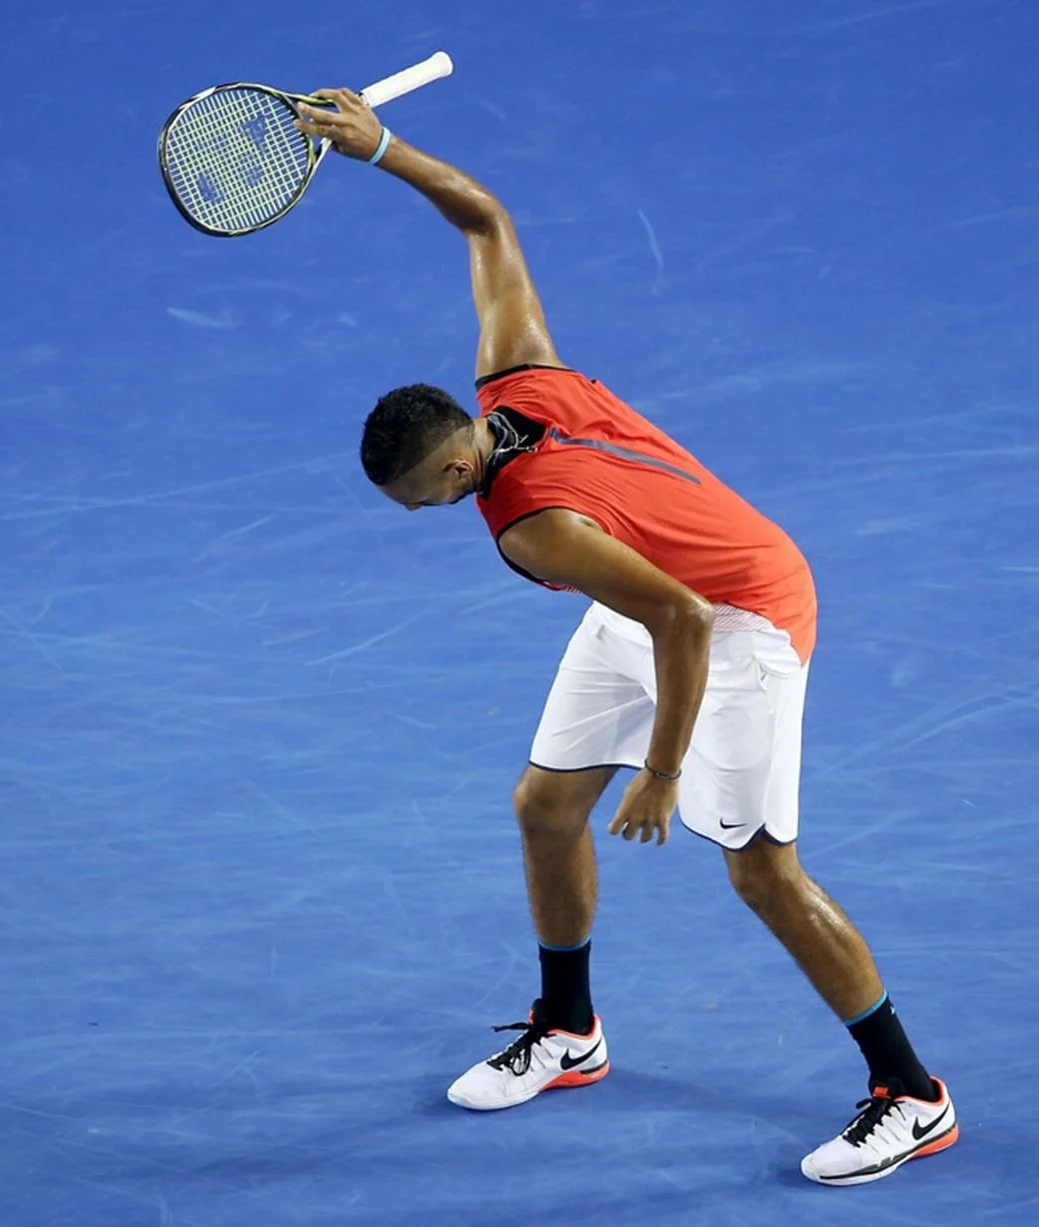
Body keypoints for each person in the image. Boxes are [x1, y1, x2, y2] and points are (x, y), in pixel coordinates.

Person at [293, 88, 958, 1186]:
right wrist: (382, 149)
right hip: (651, 590)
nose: (420, 514)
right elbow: (484, 220)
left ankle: (911, 1093)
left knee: (760, 872)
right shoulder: (518, 373)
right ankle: (569, 1029)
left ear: (455, 467)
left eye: (419, 500)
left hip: (738, 612)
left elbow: (682, 620)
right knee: (545, 806)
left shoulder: (533, 527)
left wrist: (659, 772)